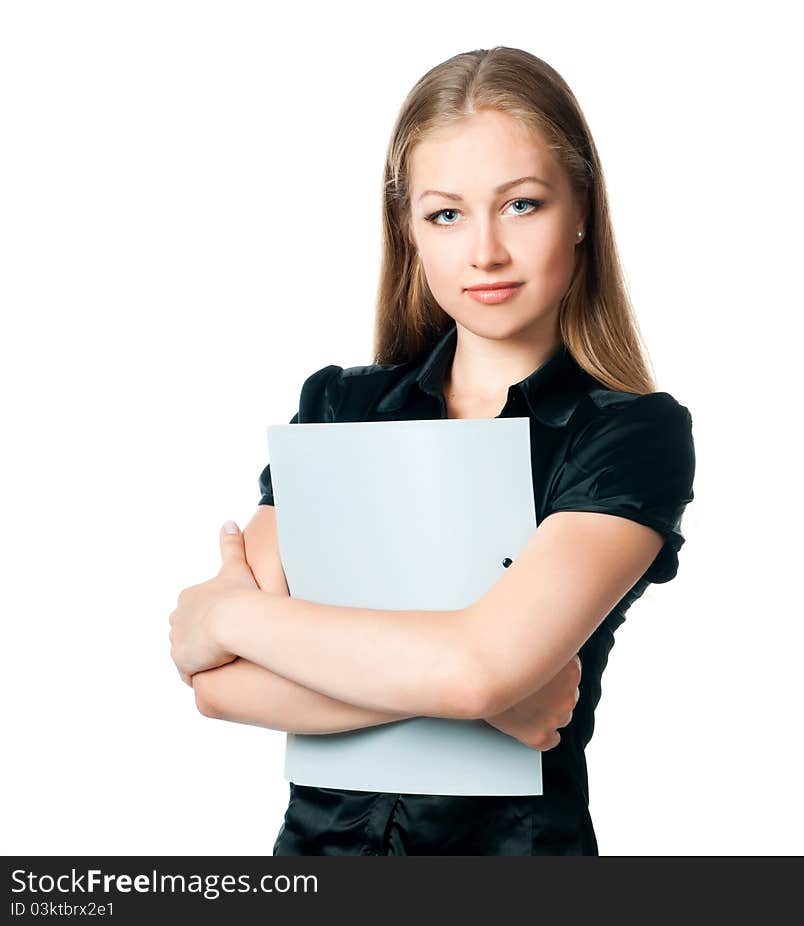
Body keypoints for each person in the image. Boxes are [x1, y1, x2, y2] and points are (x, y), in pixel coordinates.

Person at [168, 46, 696, 856]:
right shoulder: (339, 408)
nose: (483, 251)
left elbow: (477, 670)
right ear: (409, 231)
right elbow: (216, 681)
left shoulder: (629, 434)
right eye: (446, 214)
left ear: (582, 208)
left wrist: (235, 611)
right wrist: (474, 689)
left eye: (521, 204)